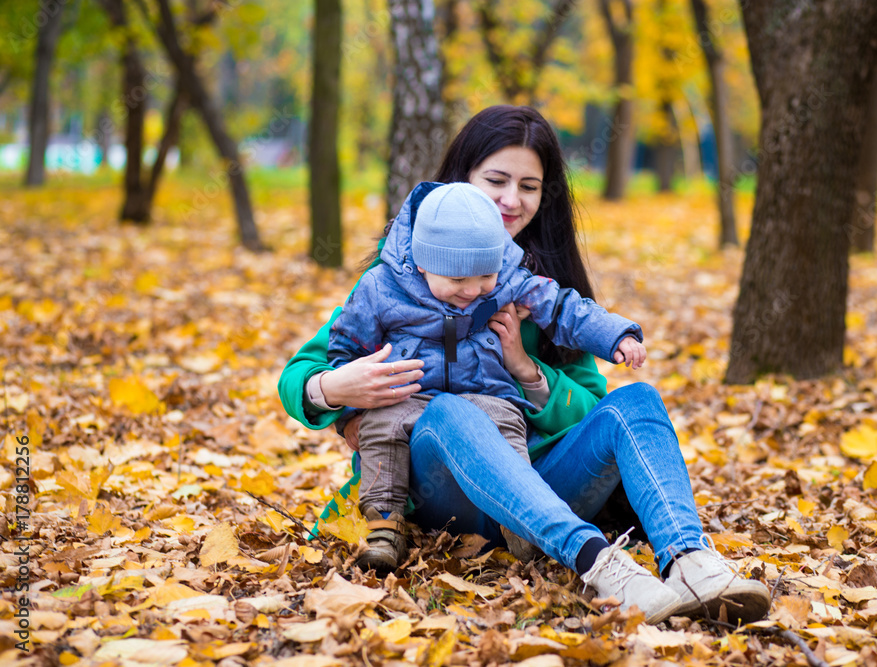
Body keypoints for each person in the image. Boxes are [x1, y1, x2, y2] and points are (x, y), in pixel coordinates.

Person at [279, 105, 771, 624]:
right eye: (496, 180)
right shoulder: (396, 281)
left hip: (538, 484)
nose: (512, 200)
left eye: (529, 186)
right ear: (460, 182)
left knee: (638, 401)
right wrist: (336, 388)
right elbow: (301, 374)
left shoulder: (540, 287)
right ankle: (599, 564)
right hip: (435, 488)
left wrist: (525, 370)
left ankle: (691, 561)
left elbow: (587, 404)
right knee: (451, 412)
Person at [327, 181, 646, 572]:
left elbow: (564, 308)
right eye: (458, 281)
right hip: (405, 394)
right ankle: (384, 527)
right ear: (423, 262)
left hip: (487, 392)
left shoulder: (511, 279)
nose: (473, 291)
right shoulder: (382, 288)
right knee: (380, 431)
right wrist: (348, 418)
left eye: (484, 278)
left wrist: (615, 335)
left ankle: (520, 521)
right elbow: (345, 349)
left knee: (504, 434)